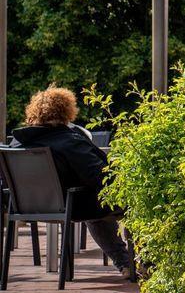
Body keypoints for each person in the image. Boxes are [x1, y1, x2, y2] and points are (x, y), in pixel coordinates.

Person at [10, 87, 136, 280]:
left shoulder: (17, 144)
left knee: (96, 202)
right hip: (73, 206)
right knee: (131, 201)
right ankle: (141, 263)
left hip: (26, 207)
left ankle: (126, 263)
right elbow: (101, 176)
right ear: (68, 111)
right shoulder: (70, 142)